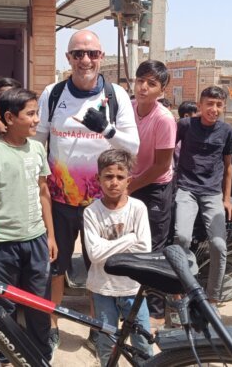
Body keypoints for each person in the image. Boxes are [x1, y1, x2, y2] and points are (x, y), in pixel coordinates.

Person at [35, 29, 139, 352]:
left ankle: (99, 328)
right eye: (78, 53)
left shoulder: (116, 96)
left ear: (101, 58)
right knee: (56, 266)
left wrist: (106, 129)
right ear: (68, 58)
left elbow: (133, 146)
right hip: (59, 200)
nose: (85, 60)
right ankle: (51, 324)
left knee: (102, 265)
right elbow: (38, 143)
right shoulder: (52, 94)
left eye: (91, 54)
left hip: (103, 202)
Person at [0, 88, 57, 361]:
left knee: (39, 307)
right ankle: (6, 358)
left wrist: (50, 237)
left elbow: (44, 193)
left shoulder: (37, 149)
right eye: (30, 114)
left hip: (36, 241)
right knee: (3, 309)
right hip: (1, 244)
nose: (36, 120)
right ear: (9, 118)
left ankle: (40, 356)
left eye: (37, 113)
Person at [83, 149, 153, 366]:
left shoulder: (137, 208)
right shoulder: (92, 212)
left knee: (142, 343)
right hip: (102, 288)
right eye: (108, 176)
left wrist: (110, 247)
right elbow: (94, 254)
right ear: (98, 179)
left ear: (128, 180)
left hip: (133, 288)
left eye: (120, 177)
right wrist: (130, 238)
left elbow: (144, 247)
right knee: (106, 345)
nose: (114, 182)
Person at [174, 86, 232, 304]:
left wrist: (227, 199)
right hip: (186, 188)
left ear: (224, 107)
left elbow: (228, 167)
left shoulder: (227, 131)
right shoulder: (185, 125)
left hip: (212, 192)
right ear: (200, 105)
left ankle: (212, 299)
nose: (214, 109)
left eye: (219, 105)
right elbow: (167, 151)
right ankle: (181, 289)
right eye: (209, 104)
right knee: (181, 238)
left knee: (219, 245)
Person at [127, 60, 176, 325]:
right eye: (140, 80)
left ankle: (155, 313)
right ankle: (130, 304)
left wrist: (131, 186)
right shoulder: (127, 109)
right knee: (129, 243)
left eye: (151, 83)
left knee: (153, 248)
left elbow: (161, 165)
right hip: (131, 183)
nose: (143, 87)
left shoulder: (164, 119)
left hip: (155, 187)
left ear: (162, 90)